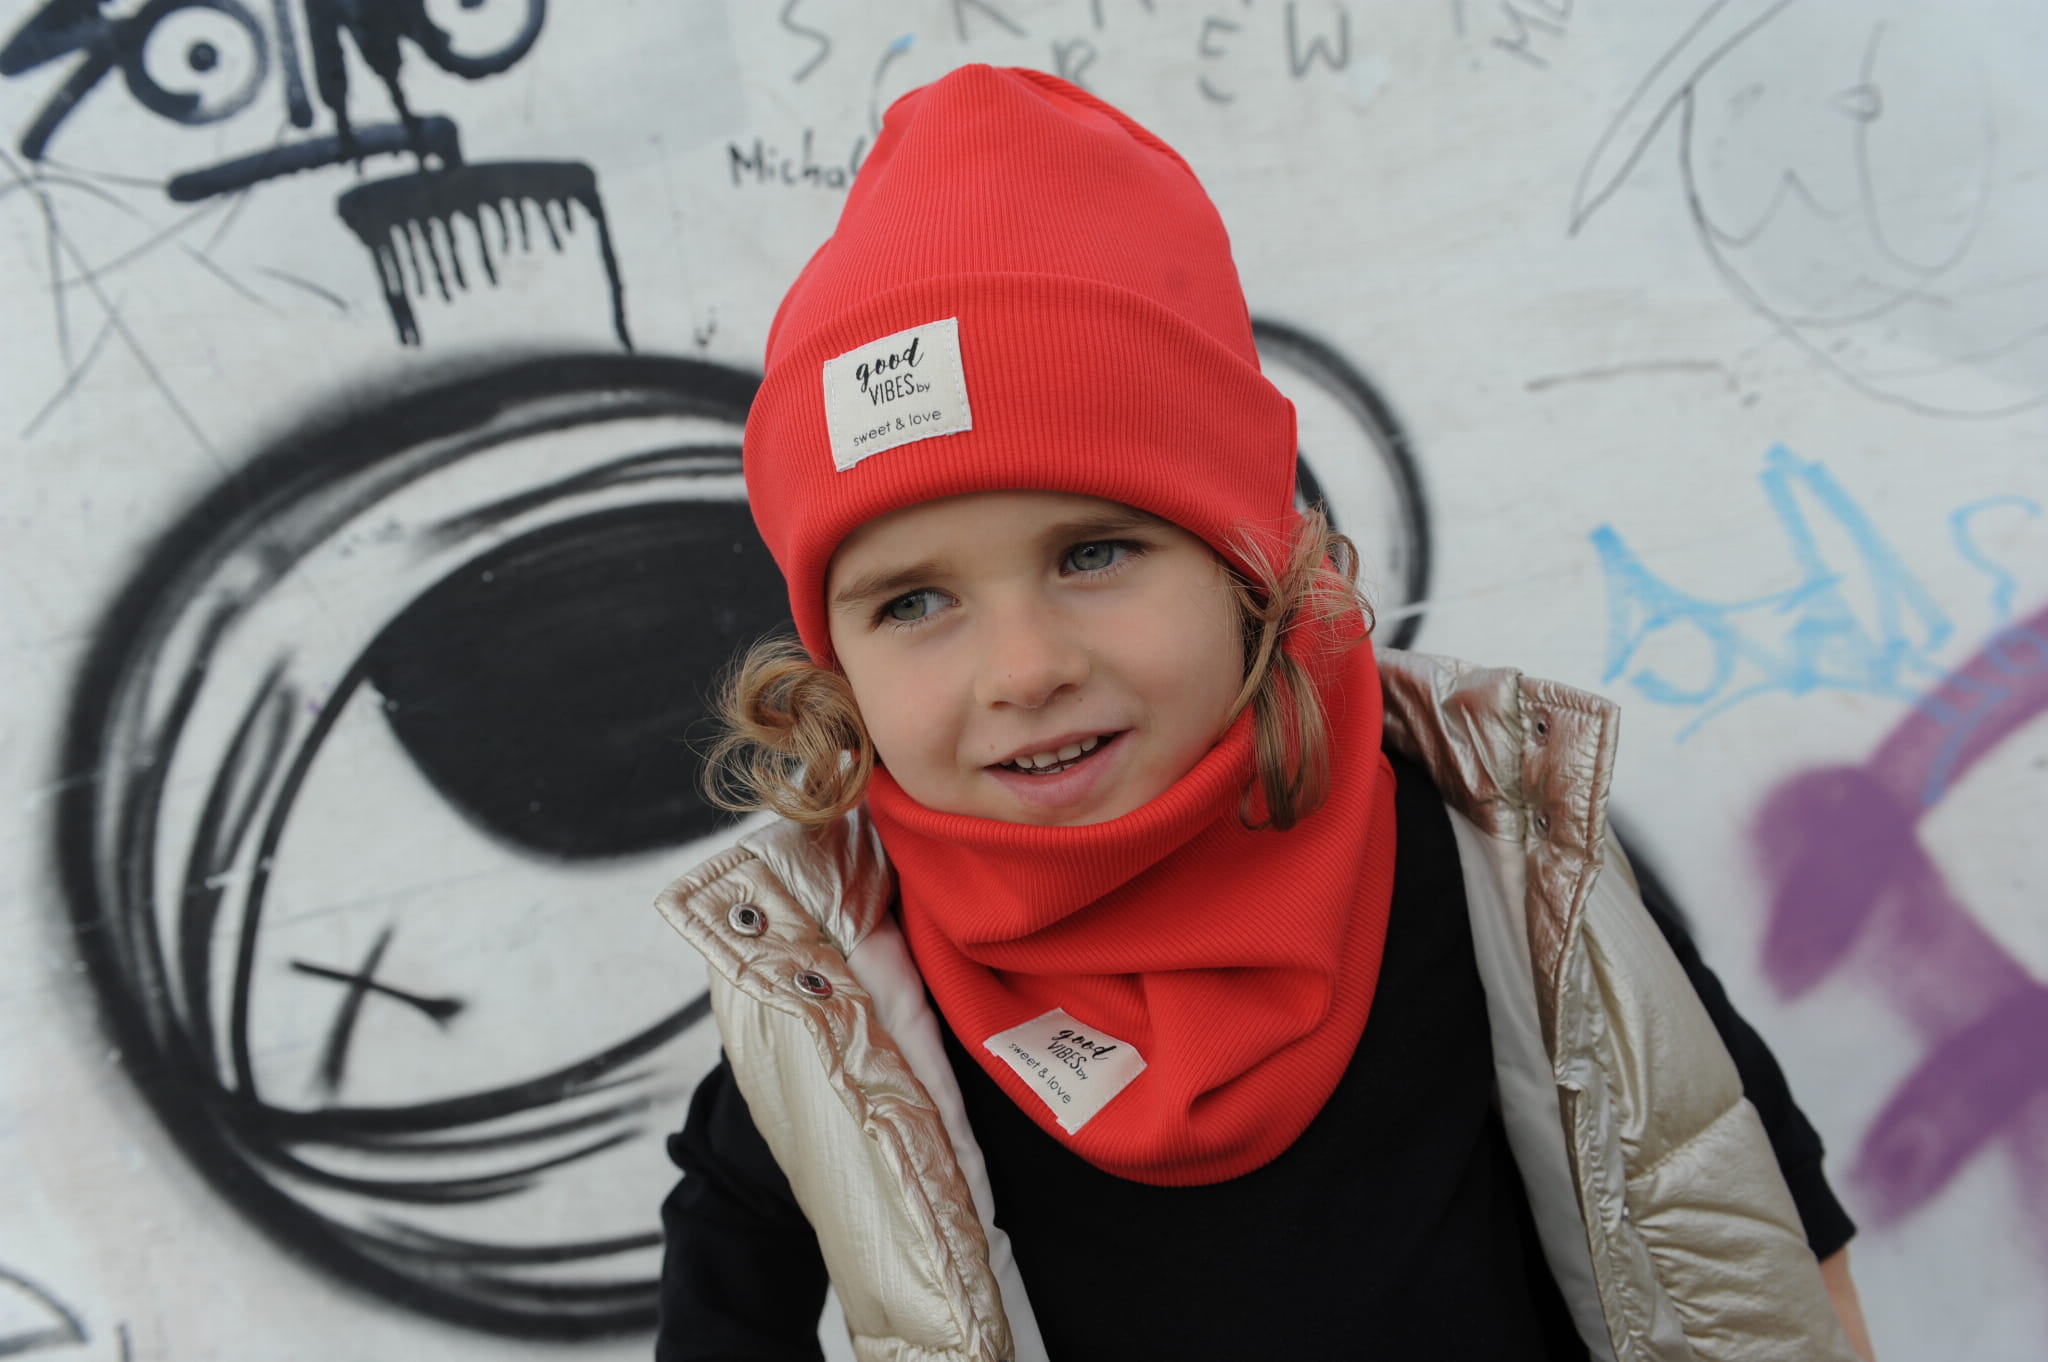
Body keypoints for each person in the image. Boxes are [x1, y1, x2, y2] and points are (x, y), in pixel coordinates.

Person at [652, 63, 1874, 1362]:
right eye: (914, 603)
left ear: (1250, 565)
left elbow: (1742, 1210)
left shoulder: (1501, 878)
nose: (1023, 667)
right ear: (834, 665)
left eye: (1094, 553)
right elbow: (728, 1273)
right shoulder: (842, 1013)